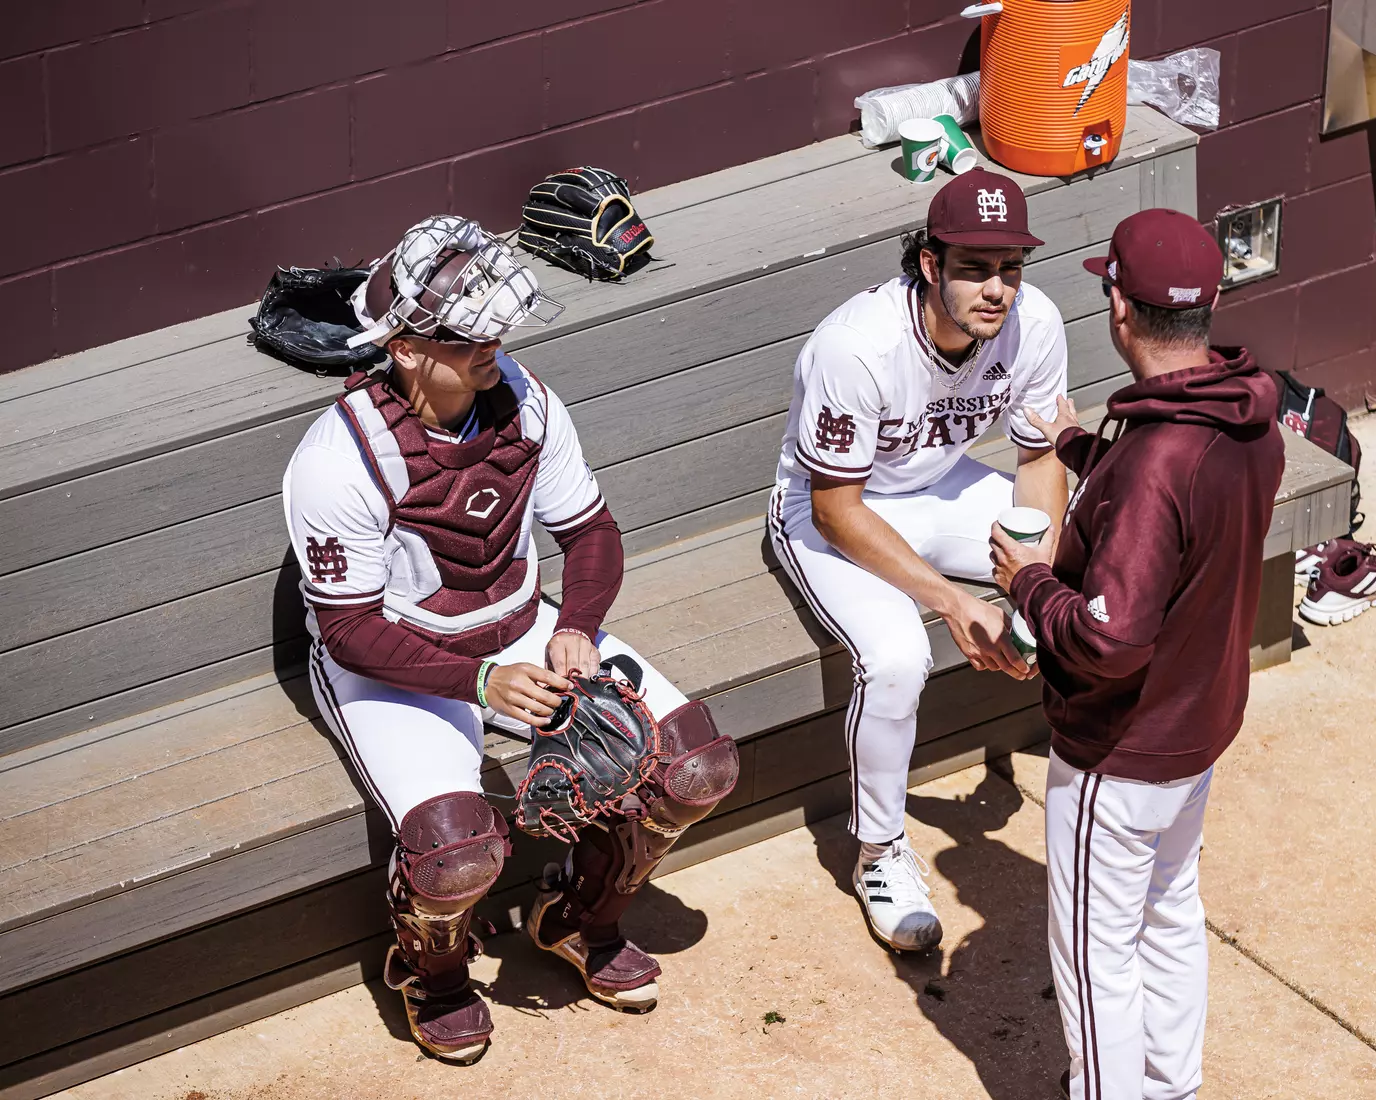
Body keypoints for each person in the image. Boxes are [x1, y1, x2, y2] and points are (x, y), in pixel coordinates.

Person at [281, 216, 738, 1063]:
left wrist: (575, 626)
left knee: (695, 768)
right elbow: (347, 631)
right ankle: (434, 974)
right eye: (466, 336)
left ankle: (577, 918)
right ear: (408, 349)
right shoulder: (337, 458)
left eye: (495, 326)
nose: (491, 343)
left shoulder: (524, 398)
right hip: (396, 664)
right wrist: (483, 684)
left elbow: (592, 532)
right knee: (457, 853)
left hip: (521, 625)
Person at [988, 209, 1286, 1100]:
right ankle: (1171, 1090)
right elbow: (1170, 494)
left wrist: (1028, 582)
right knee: (1167, 915)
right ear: (1208, 307)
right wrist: (1078, 445)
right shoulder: (1244, 416)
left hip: (1119, 754)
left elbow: (1111, 641)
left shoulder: (1158, 460)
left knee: (1095, 961)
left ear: (1118, 306)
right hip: (1195, 732)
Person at [769, 168, 1070, 951]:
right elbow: (837, 507)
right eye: (973, 267)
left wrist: (1033, 580)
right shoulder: (855, 347)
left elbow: (1040, 461)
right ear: (929, 264)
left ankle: (1093, 773)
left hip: (940, 486)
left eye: (1009, 267)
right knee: (898, 656)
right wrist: (954, 602)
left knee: (1083, 569)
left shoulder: (1033, 322)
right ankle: (879, 851)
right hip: (831, 512)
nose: (996, 288)